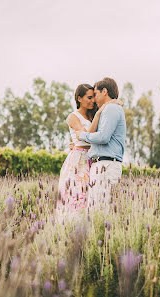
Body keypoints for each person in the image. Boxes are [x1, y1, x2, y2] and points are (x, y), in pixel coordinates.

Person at [58, 83, 122, 211]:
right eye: (89, 97)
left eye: (93, 97)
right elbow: (87, 136)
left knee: (91, 197)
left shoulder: (91, 116)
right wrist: (98, 114)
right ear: (79, 99)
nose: (93, 100)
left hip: (92, 159)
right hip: (79, 160)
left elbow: (93, 136)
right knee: (77, 194)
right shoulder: (73, 116)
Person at [76, 77, 126, 205]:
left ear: (104, 91)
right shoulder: (107, 109)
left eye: (96, 94)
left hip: (106, 165)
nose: (94, 99)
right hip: (103, 165)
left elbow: (103, 137)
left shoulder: (111, 109)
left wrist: (82, 136)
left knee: (100, 209)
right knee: (97, 209)